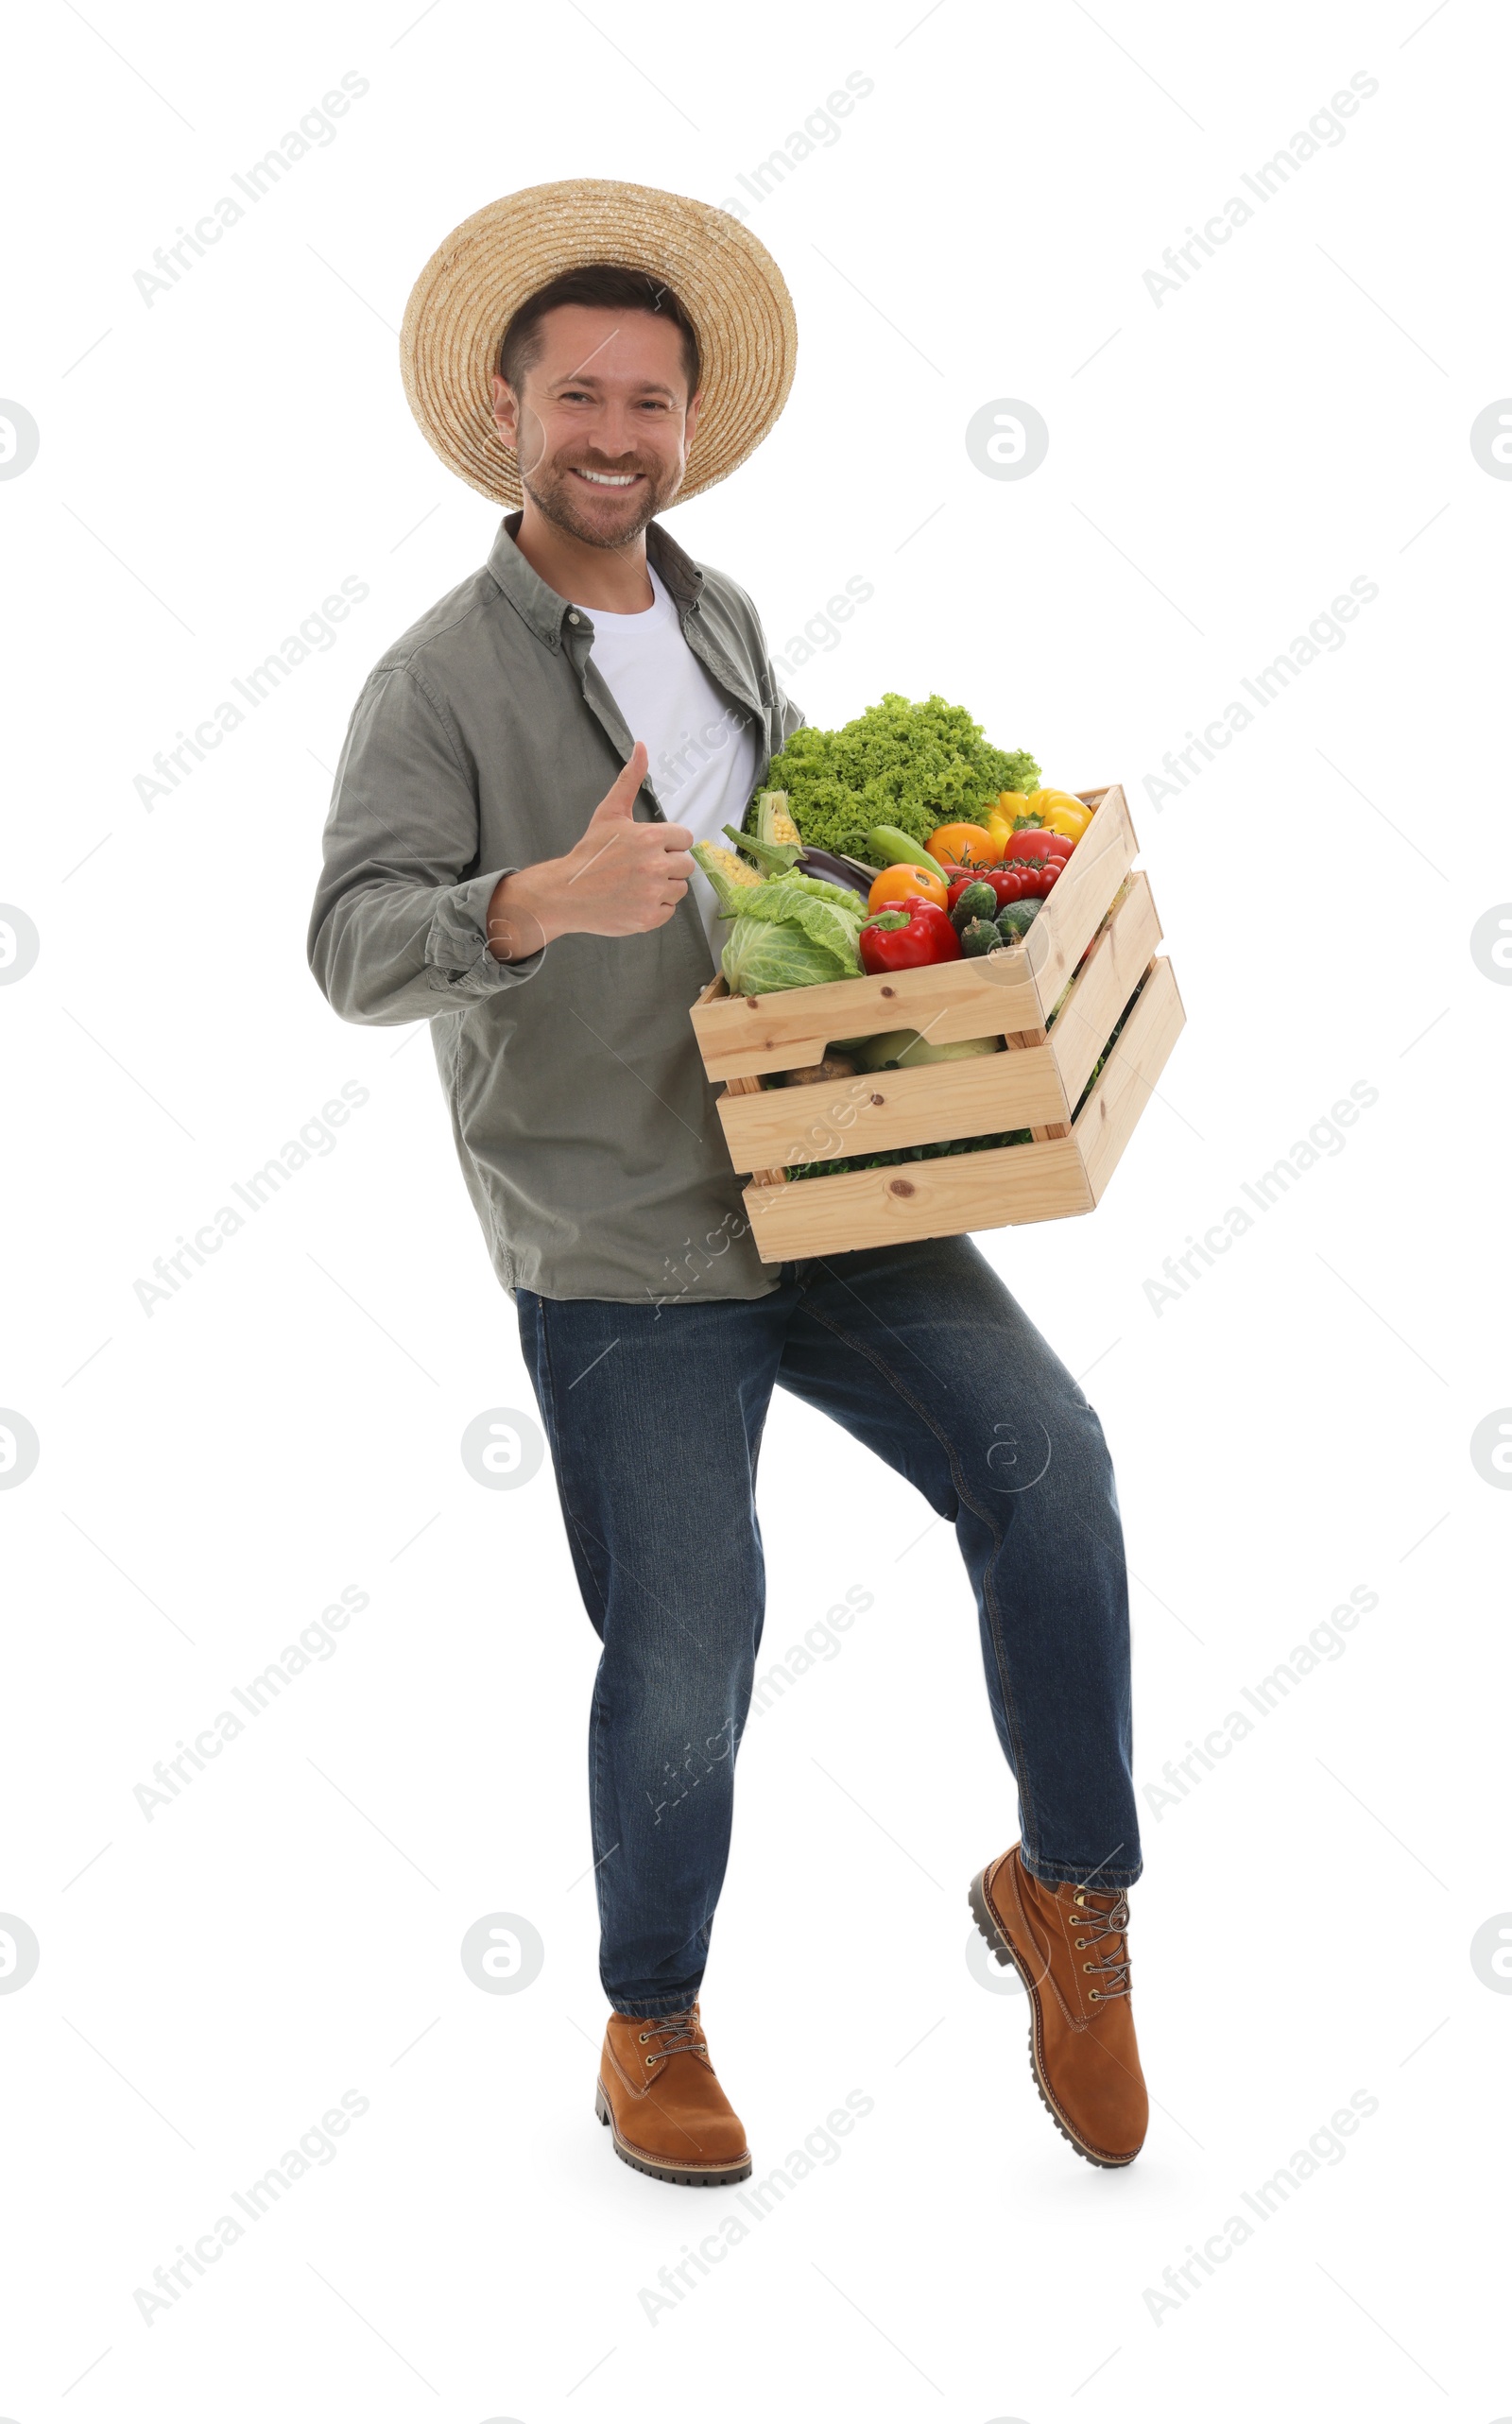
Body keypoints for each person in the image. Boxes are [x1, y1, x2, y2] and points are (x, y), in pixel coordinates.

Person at [308, 179, 1147, 2184]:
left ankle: (1071, 1896)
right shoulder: (436, 683)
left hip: (826, 1173)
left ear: (687, 424)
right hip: (618, 1231)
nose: (613, 432)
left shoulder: (719, 613)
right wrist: (537, 897)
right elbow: (349, 942)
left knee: (1050, 1463)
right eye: (576, 394)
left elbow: (770, 875)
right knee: (690, 1642)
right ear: (505, 417)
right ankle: (650, 2013)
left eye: (649, 400)